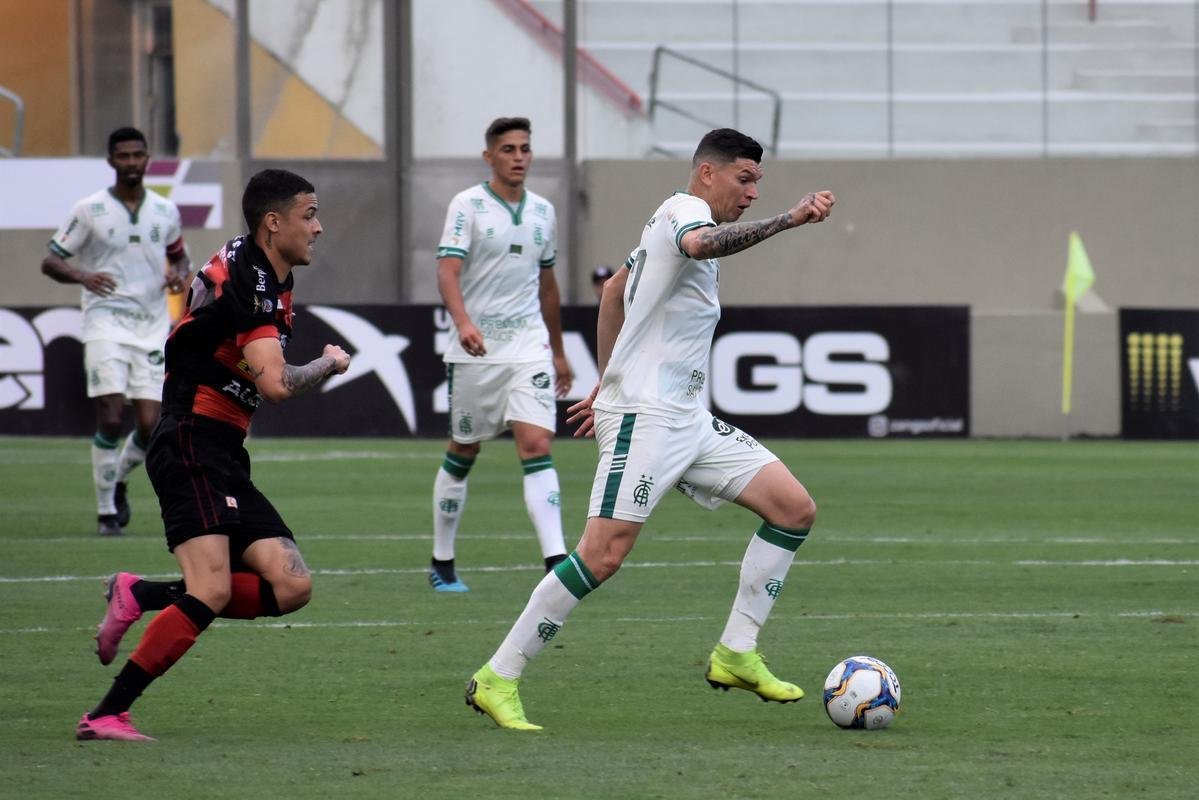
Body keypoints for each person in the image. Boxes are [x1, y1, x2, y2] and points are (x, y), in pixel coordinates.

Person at [465, 128, 835, 730]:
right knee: (602, 556)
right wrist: (787, 220)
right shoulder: (683, 212)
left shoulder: (662, 228)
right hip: (648, 419)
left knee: (793, 509)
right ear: (708, 174)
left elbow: (614, 293)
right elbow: (703, 243)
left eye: (758, 185)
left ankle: (736, 651)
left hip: (687, 419)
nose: (751, 193)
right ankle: (497, 676)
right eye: (744, 180)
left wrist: (605, 380)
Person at [75, 169, 351, 741]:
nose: (318, 227)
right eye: (309, 214)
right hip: (191, 441)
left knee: (291, 586)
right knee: (213, 589)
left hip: (222, 450)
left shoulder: (263, 269)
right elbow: (276, 385)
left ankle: (140, 593)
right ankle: (107, 713)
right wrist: (330, 362)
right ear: (273, 223)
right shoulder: (253, 280)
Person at [428, 116, 572, 592]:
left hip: (528, 348)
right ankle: (442, 560)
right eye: (508, 149)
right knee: (464, 449)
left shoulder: (543, 212)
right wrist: (464, 323)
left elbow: (548, 286)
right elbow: (448, 271)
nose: (519, 157)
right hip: (477, 352)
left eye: (525, 148)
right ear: (489, 156)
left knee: (536, 446)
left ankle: (555, 561)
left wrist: (557, 351)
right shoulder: (467, 206)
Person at [41, 126, 191, 536]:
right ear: (110, 161)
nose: (131, 163)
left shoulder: (166, 211)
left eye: (137, 155)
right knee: (109, 415)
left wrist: (179, 277)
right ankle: (106, 512)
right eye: (123, 156)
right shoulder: (89, 210)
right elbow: (51, 261)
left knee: (150, 426)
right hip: (105, 320)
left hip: (152, 324)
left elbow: (180, 260)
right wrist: (83, 276)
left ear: (147, 159)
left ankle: (120, 479)